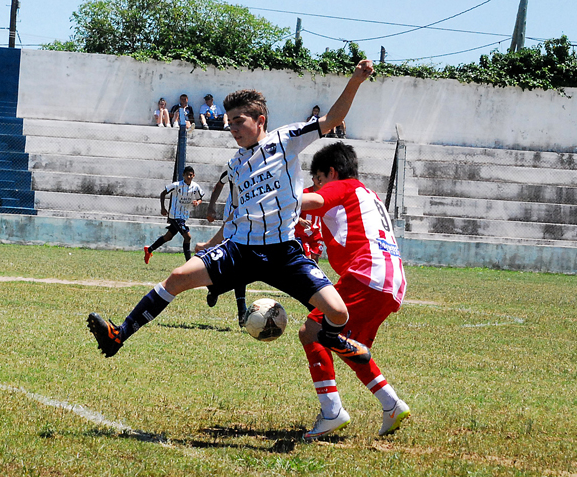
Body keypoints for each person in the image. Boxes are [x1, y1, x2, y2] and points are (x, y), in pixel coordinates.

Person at [87, 60, 375, 402]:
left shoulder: (287, 140)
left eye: (239, 121)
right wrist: (212, 242)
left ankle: (334, 338)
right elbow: (238, 212)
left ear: (260, 120)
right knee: (177, 277)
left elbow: (332, 119)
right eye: (230, 122)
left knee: (338, 313)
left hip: (283, 252)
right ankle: (118, 335)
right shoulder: (236, 165)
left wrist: (356, 80)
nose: (232, 128)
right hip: (241, 249)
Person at [299, 141, 409, 440]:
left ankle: (332, 413)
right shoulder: (369, 195)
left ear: (331, 172)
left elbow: (311, 201)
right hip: (392, 280)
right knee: (345, 345)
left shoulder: (344, 186)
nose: (317, 186)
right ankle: (392, 405)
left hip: (367, 274)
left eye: (319, 179)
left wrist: (271, 200)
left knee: (311, 330)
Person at [198, 170, 247, 324]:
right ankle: (216, 289)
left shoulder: (264, 166)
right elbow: (220, 184)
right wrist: (211, 206)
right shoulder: (235, 166)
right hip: (233, 212)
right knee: (225, 256)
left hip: (252, 214)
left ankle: (240, 309)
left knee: (241, 261)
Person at [143, 166, 204, 264]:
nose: (189, 177)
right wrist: (163, 207)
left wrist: (197, 202)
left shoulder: (195, 187)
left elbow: (200, 198)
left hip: (183, 216)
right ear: (183, 175)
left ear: (194, 176)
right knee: (187, 237)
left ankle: (149, 250)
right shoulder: (177, 185)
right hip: (175, 215)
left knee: (168, 237)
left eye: (191, 175)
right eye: (187, 175)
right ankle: (189, 263)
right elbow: (163, 194)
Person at [294, 174, 324, 263]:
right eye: (317, 177)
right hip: (303, 233)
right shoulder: (305, 193)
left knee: (315, 257)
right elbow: (293, 211)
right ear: (312, 179)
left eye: (321, 176)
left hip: (316, 232)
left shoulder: (325, 194)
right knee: (308, 259)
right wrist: (300, 220)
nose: (319, 179)